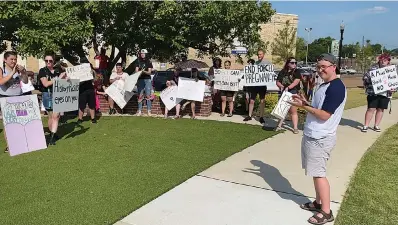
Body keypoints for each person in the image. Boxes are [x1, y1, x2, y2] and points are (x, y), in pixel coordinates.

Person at [289, 53, 346, 225]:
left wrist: (303, 106)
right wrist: (305, 101)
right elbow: (318, 108)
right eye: (318, 66)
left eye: (324, 67)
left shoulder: (336, 87)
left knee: (319, 174)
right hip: (312, 134)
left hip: (321, 137)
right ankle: (318, 202)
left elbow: (324, 115)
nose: (320, 70)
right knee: (314, 173)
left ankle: (326, 212)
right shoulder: (324, 85)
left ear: (333, 67)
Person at [0, 51, 29, 152]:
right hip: (6, 98)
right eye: (11, 59)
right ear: (5, 60)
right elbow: (1, 81)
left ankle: (20, 142)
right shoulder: (1, 69)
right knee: (8, 123)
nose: (14, 61)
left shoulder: (18, 70)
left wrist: (24, 73)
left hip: (19, 97)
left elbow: (25, 81)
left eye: (15, 59)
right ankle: (9, 146)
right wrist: (12, 73)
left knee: (20, 121)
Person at [37, 52, 68, 145]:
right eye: (46, 60)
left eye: (50, 60)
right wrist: (58, 79)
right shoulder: (43, 71)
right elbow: (45, 84)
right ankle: (52, 135)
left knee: (56, 116)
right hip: (48, 95)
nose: (48, 62)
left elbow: (63, 82)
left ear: (54, 61)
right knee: (51, 116)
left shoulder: (57, 70)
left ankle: (53, 135)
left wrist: (66, 79)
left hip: (58, 94)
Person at [362, 53, 394, 132]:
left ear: (388, 61)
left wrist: (393, 89)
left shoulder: (391, 70)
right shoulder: (373, 69)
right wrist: (373, 81)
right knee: (371, 109)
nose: (383, 61)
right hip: (373, 92)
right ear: (379, 60)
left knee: (381, 109)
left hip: (385, 93)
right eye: (382, 60)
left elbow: (394, 82)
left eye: (385, 60)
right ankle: (366, 125)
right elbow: (365, 78)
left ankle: (376, 125)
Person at [243, 49, 271, 124]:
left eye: (261, 54)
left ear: (263, 54)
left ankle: (261, 117)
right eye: (258, 54)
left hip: (262, 85)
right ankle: (249, 115)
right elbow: (250, 72)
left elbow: (270, 73)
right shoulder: (255, 63)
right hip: (254, 85)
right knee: (252, 100)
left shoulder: (267, 63)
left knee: (262, 101)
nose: (259, 56)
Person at [275, 57, 301, 133]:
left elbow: (296, 82)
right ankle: (279, 125)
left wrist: (288, 87)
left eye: (295, 63)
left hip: (292, 92)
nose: (294, 64)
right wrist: (281, 86)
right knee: (282, 110)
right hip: (283, 92)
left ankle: (295, 128)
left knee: (293, 110)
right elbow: (278, 81)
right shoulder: (283, 72)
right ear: (288, 63)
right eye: (292, 63)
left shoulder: (297, 72)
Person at [134, 49, 153, 116]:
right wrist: (140, 71)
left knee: (148, 95)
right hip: (140, 79)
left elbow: (149, 72)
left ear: (146, 54)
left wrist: (142, 71)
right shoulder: (138, 61)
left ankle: (149, 111)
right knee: (140, 95)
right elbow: (136, 71)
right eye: (141, 53)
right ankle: (139, 111)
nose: (142, 54)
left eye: (143, 53)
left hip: (147, 79)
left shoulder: (149, 61)